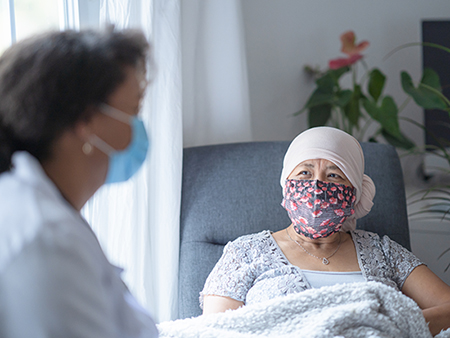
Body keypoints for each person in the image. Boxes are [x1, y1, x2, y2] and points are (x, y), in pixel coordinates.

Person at [201, 126, 450, 336]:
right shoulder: (245, 252)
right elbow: (216, 331)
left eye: (334, 175)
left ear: (353, 193)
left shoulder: (382, 251)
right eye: (305, 173)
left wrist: (382, 327)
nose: (317, 186)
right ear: (286, 186)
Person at [0, 28, 158, 337]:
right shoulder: (46, 237)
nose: (137, 130)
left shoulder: (46, 211)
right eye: (133, 112)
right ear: (87, 122)